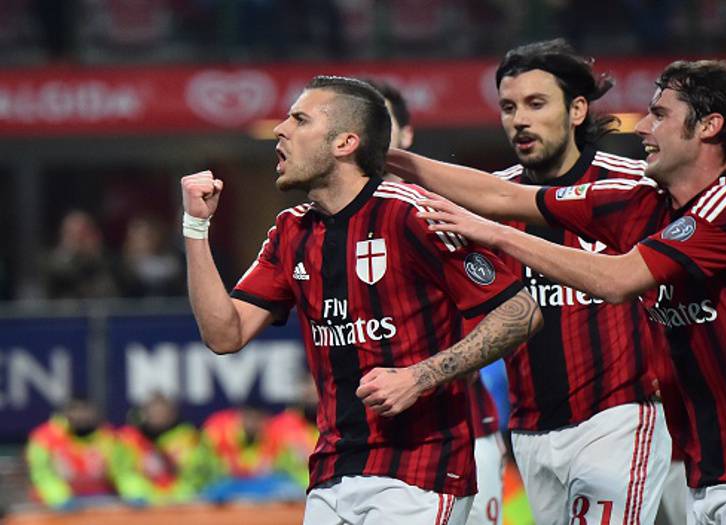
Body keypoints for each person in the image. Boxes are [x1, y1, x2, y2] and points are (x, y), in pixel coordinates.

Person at [387, 59, 726, 524]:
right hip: (711, 477)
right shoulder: (645, 204)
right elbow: (505, 197)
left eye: (660, 114)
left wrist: (497, 234)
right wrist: (386, 158)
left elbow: (617, 280)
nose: (643, 126)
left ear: (709, 126)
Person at [180, 75, 541, 524]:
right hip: (332, 471)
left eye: (300, 119)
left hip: (419, 469)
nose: (280, 129)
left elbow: (520, 312)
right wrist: (195, 227)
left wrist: (418, 377)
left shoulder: (413, 214)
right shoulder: (290, 231)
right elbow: (224, 334)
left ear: (345, 143)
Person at [408, 40, 677, 525]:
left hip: (618, 416)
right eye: (509, 108)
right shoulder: (487, 201)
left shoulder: (634, 187)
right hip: (530, 429)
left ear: (577, 110)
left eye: (536, 104)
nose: (519, 120)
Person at [367, 76, 508, 525]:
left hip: (461, 433)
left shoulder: (443, 216)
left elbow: (508, 313)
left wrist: (421, 376)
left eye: (380, 122)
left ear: (406, 135)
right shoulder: (321, 228)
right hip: (365, 448)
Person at [111, 393, 207, 506]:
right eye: (153, 412)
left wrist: (173, 467)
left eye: (162, 411)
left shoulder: (188, 437)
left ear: (172, 413)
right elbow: (123, 472)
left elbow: (195, 474)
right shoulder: (129, 439)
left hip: (179, 500)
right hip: (143, 502)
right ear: (144, 413)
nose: (158, 416)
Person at [26, 397, 118, 510]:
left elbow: (121, 472)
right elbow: (42, 474)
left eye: (85, 411)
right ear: (65, 413)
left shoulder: (109, 436)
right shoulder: (45, 437)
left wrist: (131, 493)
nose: (81, 416)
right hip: (54, 504)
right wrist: (59, 498)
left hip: (103, 500)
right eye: (75, 411)